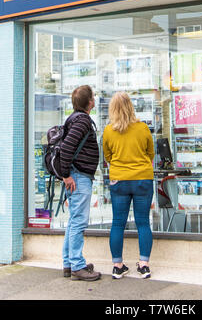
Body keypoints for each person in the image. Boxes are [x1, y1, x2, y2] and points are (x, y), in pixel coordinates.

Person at [102, 92, 155, 279]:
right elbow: (151, 153)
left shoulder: (108, 130)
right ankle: (144, 265)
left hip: (119, 180)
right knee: (143, 222)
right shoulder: (142, 128)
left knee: (118, 223)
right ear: (131, 107)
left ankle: (117, 265)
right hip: (142, 179)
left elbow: (107, 156)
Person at [61, 85, 101, 281]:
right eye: (93, 97)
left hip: (76, 176)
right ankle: (77, 265)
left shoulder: (74, 118)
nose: (94, 99)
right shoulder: (82, 121)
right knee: (78, 222)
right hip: (78, 178)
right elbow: (67, 147)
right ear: (90, 102)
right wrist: (66, 174)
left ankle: (69, 263)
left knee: (73, 221)